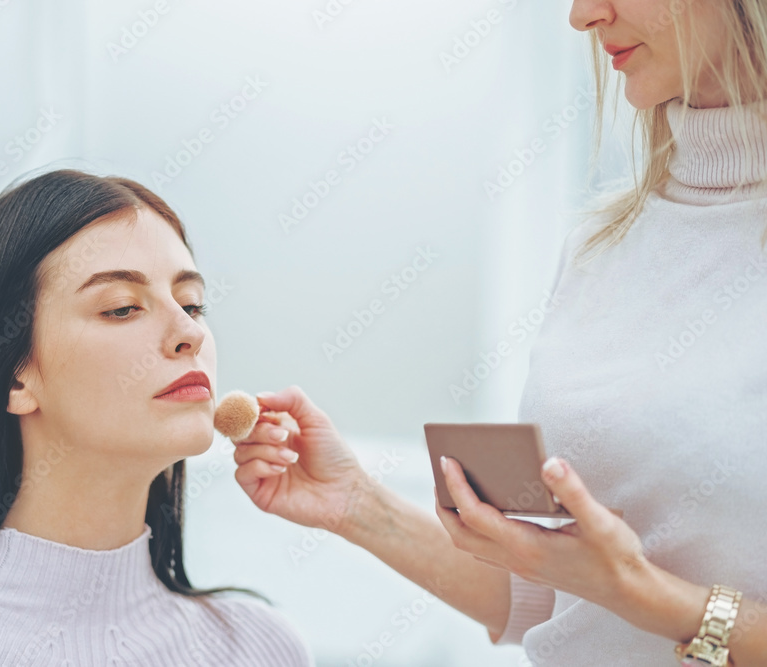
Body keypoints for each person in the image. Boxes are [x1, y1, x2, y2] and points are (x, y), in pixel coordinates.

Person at [232, 0, 767, 664]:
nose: (581, 15)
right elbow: (555, 606)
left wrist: (640, 590)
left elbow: (617, 590)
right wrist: (356, 503)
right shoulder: (602, 243)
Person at [0, 170, 314, 666]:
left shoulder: (260, 649)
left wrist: (356, 507)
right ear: (16, 377)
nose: (190, 333)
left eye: (193, 304)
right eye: (122, 307)